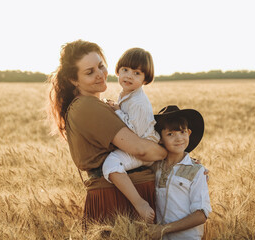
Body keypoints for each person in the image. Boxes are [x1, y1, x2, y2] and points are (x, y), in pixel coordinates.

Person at [47, 39, 167, 224]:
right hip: (117, 200)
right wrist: (166, 153)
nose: (100, 75)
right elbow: (140, 149)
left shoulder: (94, 105)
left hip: (123, 194)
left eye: (101, 66)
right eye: (89, 72)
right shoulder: (88, 107)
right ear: (74, 80)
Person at [102, 48, 160, 223]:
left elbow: (135, 134)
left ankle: (139, 203)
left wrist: (118, 111)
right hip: (135, 146)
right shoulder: (127, 94)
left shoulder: (139, 102)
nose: (128, 76)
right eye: (125, 70)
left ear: (145, 79)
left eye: (136, 73)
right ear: (118, 70)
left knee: (110, 164)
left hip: (143, 149)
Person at [152, 105, 212, 239]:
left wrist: (164, 229)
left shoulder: (196, 170)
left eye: (182, 132)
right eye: (170, 134)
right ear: (160, 138)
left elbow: (201, 215)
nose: (179, 138)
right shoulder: (155, 167)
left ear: (189, 133)